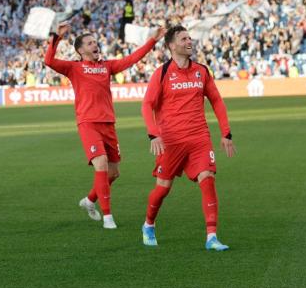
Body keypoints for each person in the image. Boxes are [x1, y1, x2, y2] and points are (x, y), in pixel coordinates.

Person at [44, 21, 163, 229]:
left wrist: (152, 40)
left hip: (108, 124)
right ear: (81, 50)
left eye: (95, 42)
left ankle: (90, 200)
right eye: (90, 43)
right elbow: (49, 60)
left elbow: (132, 59)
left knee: (113, 173)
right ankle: (108, 217)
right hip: (88, 123)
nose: (95, 45)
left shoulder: (106, 67)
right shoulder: (74, 68)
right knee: (101, 164)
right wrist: (57, 37)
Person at [140, 25, 236, 251]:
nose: (189, 41)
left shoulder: (201, 71)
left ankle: (211, 236)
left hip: (199, 137)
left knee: (208, 178)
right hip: (170, 141)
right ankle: (148, 224)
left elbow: (217, 102)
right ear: (172, 45)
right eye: (184, 39)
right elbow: (147, 105)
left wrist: (226, 133)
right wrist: (153, 134)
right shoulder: (162, 73)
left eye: (190, 38)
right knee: (163, 188)